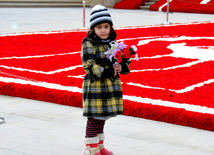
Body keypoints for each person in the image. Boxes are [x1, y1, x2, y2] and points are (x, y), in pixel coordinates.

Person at [81, 5, 131, 155]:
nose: (103, 30)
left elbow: (121, 60)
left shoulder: (113, 43)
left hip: (110, 86)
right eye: (99, 27)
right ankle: (91, 149)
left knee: (102, 118)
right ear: (93, 29)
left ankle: (100, 147)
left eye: (106, 26)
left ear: (111, 27)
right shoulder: (88, 43)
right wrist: (109, 70)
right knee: (94, 118)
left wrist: (122, 65)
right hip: (96, 85)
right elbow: (88, 65)